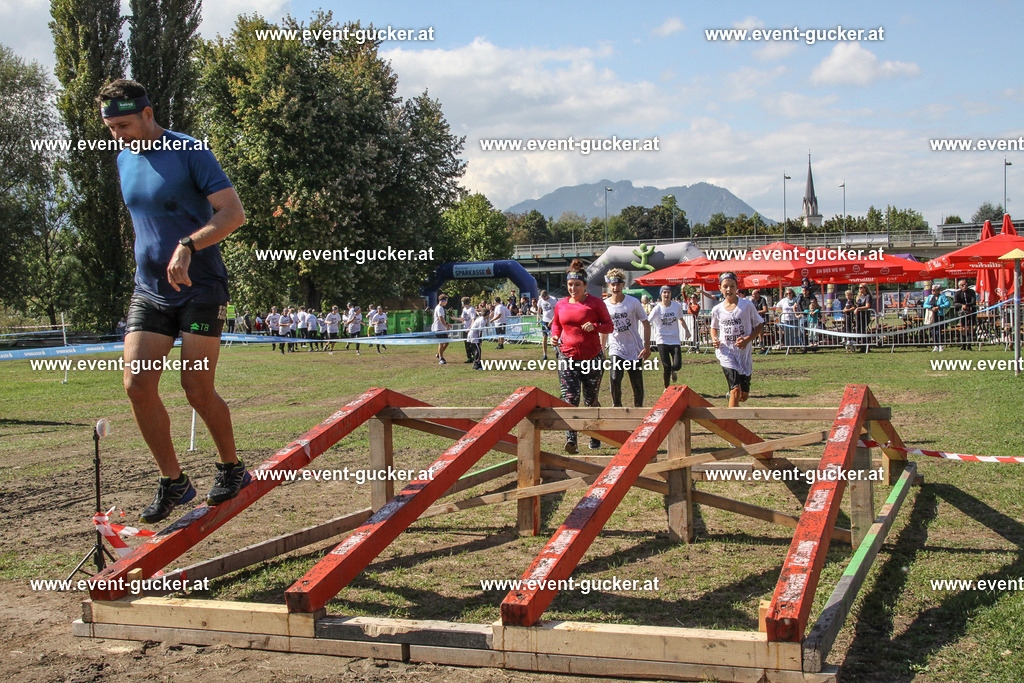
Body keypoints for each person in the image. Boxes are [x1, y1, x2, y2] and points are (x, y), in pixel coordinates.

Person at [100, 78, 248, 523]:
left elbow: (233, 213)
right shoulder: (124, 159)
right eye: (111, 129)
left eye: (125, 125)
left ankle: (231, 468)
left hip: (201, 289)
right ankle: (174, 481)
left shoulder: (190, 151)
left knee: (195, 387)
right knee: (136, 385)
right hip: (149, 290)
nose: (118, 136)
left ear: (148, 114)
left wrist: (188, 244)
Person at [551, 260, 613, 453]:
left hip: (592, 358)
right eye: (570, 285)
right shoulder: (561, 304)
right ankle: (571, 440)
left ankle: (595, 435)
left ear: (585, 285)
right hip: (567, 357)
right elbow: (556, 324)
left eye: (577, 285)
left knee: (590, 400)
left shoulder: (596, 303)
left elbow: (609, 326)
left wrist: (595, 326)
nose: (573, 288)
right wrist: (555, 336)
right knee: (570, 398)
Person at [710, 273, 764, 407]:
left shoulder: (747, 305)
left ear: (737, 287)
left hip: (743, 354)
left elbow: (759, 325)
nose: (729, 289)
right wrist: (714, 339)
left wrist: (747, 340)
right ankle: (731, 419)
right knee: (735, 389)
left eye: (732, 286)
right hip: (725, 352)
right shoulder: (717, 309)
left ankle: (732, 396)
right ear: (720, 288)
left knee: (743, 395)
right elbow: (713, 327)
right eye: (725, 286)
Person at [601, 269, 651, 408]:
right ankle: (617, 407)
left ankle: (638, 409)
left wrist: (647, 347)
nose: (615, 288)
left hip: (634, 348)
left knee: (637, 383)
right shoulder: (605, 305)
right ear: (608, 285)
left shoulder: (633, 302)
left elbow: (646, 323)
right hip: (616, 348)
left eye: (618, 284)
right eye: (612, 285)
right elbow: (604, 328)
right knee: (615, 378)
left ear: (623, 285)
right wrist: (602, 348)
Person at [647, 285, 690, 388]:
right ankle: (666, 387)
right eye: (664, 292)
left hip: (674, 339)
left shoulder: (676, 306)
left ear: (671, 294)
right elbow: (648, 321)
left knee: (677, 365)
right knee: (666, 366)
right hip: (662, 340)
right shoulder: (657, 309)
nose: (666, 294)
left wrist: (687, 330)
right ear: (661, 294)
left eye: (668, 292)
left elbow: (681, 319)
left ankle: (673, 371)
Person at [923, 284, 951, 352]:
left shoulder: (942, 296)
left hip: (939, 315)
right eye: (932, 290)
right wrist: (931, 307)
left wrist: (939, 307)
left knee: (938, 331)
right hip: (932, 316)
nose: (932, 291)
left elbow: (947, 304)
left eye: (934, 290)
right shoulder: (930, 297)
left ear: (938, 290)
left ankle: (941, 345)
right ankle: (935, 345)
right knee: (933, 331)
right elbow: (925, 305)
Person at [953, 279, 977, 350]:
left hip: (971, 312)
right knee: (963, 328)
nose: (965, 286)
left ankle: (969, 345)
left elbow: (973, 301)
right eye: (963, 285)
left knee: (970, 328)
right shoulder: (958, 293)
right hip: (962, 313)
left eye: (966, 284)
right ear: (960, 286)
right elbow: (955, 303)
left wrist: (967, 305)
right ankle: (963, 345)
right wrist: (961, 305)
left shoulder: (971, 292)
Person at [796, 283, 819, 353]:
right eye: (803, 290)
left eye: (805, 290)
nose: (804, 292)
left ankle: (813, 347)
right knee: (803, 332)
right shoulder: (800, 298)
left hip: (811, 317)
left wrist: (815, 311)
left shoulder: (812, 298)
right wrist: (797, 314)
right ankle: (804, 347)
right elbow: (795, 306)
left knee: (813, 332)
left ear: (808, 291)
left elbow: (817, 306)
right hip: (803, 316)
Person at [537, 290, 558, 360]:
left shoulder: (553, 300)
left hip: (553, 321)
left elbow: (556, 312)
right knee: (544, 337)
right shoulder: (540, 301)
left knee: (554, 337)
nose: (543, 299)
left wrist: (552, 321)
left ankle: (557, 351)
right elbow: (539, 311)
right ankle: (545, 354)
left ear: (547, 295)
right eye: (542, 297)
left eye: (544, 297)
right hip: (544, 321)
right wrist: (538, 320)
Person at [855, 284, 874, 353]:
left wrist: (858, 308)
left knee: (863, 331)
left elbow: (867, 306)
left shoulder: (868, 296)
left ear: (865, 288)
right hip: (859, 316)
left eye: (861, 288)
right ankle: (861, 346)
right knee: (859, 330)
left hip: (865, 316)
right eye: (859, 288)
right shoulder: (860, 296)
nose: (860, 289)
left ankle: (865, 347)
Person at [432, 294, 450, 364]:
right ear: (443, 301)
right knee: (441, 343)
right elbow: (440, 318)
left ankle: (439, 354)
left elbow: (442, 319)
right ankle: (441, 358)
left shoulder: (441, 308)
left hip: (442, 328)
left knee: (447, 342)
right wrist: (446, 326)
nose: (447, 302)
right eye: (446, 301)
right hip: (438, 328)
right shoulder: (439, 308)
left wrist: (447, 324)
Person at [460, 296, 477, 363]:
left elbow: (473, 319)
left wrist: (470, 328)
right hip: (465, 329)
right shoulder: (464, 309)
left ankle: (474, 356)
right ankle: (469, 357)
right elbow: (462, 319)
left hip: (470, 329)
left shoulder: (471, 309)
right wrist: (454, 318)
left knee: (472, 343)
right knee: (466, 344)